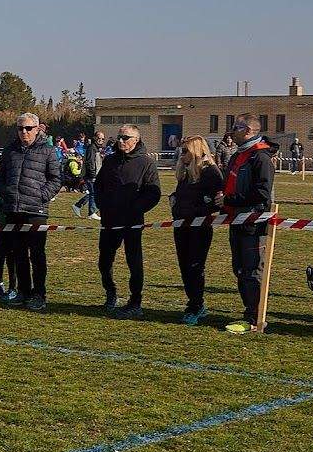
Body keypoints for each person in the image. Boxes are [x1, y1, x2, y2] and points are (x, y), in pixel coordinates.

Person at [0, 112, 60, 309]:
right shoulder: (10, 151)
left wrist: (41, 196)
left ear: (37, 129)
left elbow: (56, 179)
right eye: (20, 128)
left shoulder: (48, 151)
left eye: (28, 128)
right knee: (18, 254)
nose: (24, 132)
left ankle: (39, 294)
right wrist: (7, 194)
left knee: (37, 254)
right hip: (13, 210)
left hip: (36, 211)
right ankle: (23, 291)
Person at [93, 124, 160, 318]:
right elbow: (99, 186)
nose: (121, 141)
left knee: (134, 262)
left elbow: (153, 192)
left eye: (126, 138)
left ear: (136, 140)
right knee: (104, 261)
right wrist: (103, 204)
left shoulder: (146, 163)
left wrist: (136, 208)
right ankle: (110, 291)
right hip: (109, 221)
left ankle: (135, 300)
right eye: (119, 137)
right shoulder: (110, 161)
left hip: (132, 222)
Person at [221, 114, 275, 333]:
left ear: (249, 131)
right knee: (240, 269)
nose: (232, 131)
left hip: (254, 223)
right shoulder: (237, 156)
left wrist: (230, 200)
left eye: (236, 127)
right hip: (236, 220)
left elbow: (262, 193)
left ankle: (255, 317)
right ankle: (248, 311)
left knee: (253, 270)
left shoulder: (260, 157)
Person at [170, 136, 224, 325]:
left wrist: (202, 209)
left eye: (185, 151)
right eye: (180, 151)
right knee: (184, 267)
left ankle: (196, 305)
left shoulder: (210, 172)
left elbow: (218, 201)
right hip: (181, 226)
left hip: (199, 228)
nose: (181, 154)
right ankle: (193, 302)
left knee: (195, 267)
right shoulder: (186, 172)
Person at [72, 132, 104, 218]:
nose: (101, 140)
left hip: (95, 174)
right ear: (95, 138)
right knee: (93, 193)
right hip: (91, 175)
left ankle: (78, 205)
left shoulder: (98, 148)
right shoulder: (92, 148)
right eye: (99, 138)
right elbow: (90, 162)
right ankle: (91, 213)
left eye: (102, 139)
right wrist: (93, 174)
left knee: (93, 192)